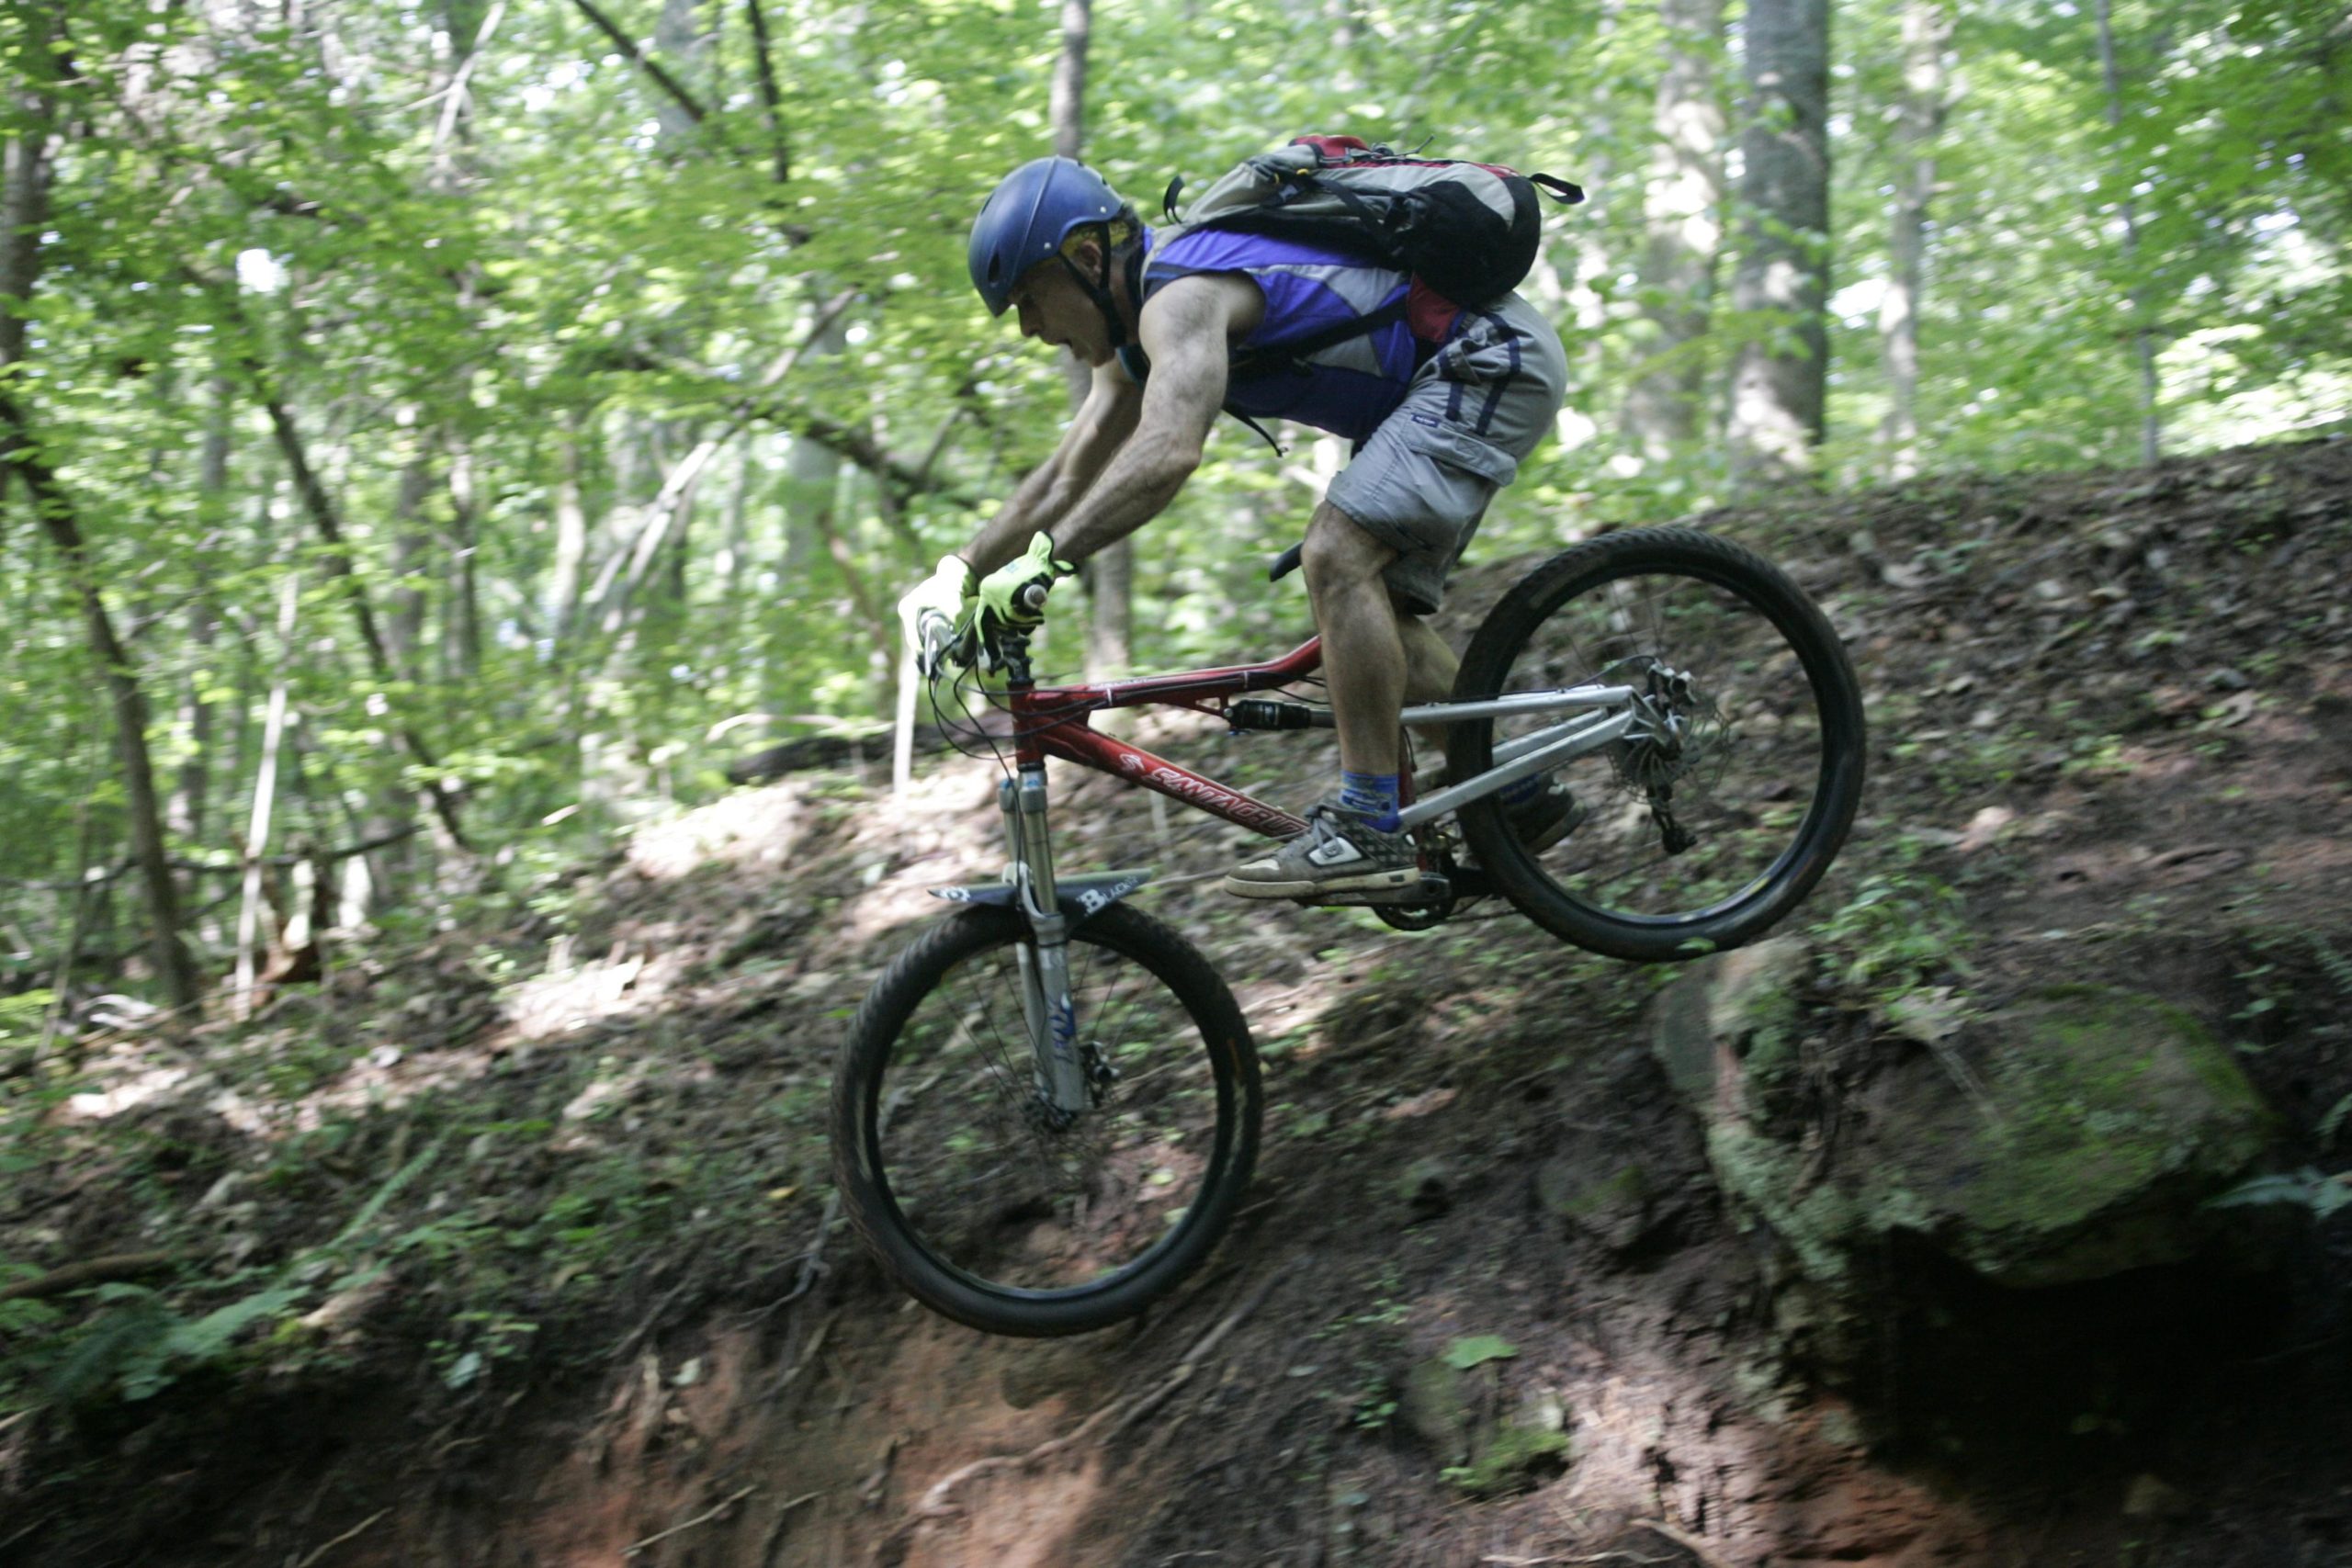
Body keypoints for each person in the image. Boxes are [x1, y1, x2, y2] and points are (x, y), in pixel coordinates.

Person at [898, 154, 1571, 901]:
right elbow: (1063, 479)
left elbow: (1168, 451)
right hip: (1453, 373)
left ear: (1087, 260)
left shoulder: (1178, 298)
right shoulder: (1135, 347)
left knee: (1336, 556)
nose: (1029, 328)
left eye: (1029, 299)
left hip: (1484, 359)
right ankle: (1511, 792)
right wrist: (958, 572)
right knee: (1369, 610)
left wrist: (1048, 562)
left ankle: (1367, 825)